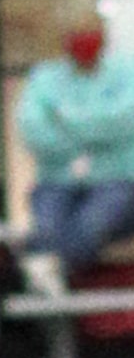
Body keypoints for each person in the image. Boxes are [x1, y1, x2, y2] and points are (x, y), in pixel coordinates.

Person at [18, 16, 134, 283]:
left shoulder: (127, 72)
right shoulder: (44, 79)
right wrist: (97, 128)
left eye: (90, 33)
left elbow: (124, 119)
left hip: (118, 181)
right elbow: (33, 130)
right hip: (56, 181)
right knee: (46, 230)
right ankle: (51, 288)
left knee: (92, 225)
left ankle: (54, 277)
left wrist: (64, 118)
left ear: (103, 36)